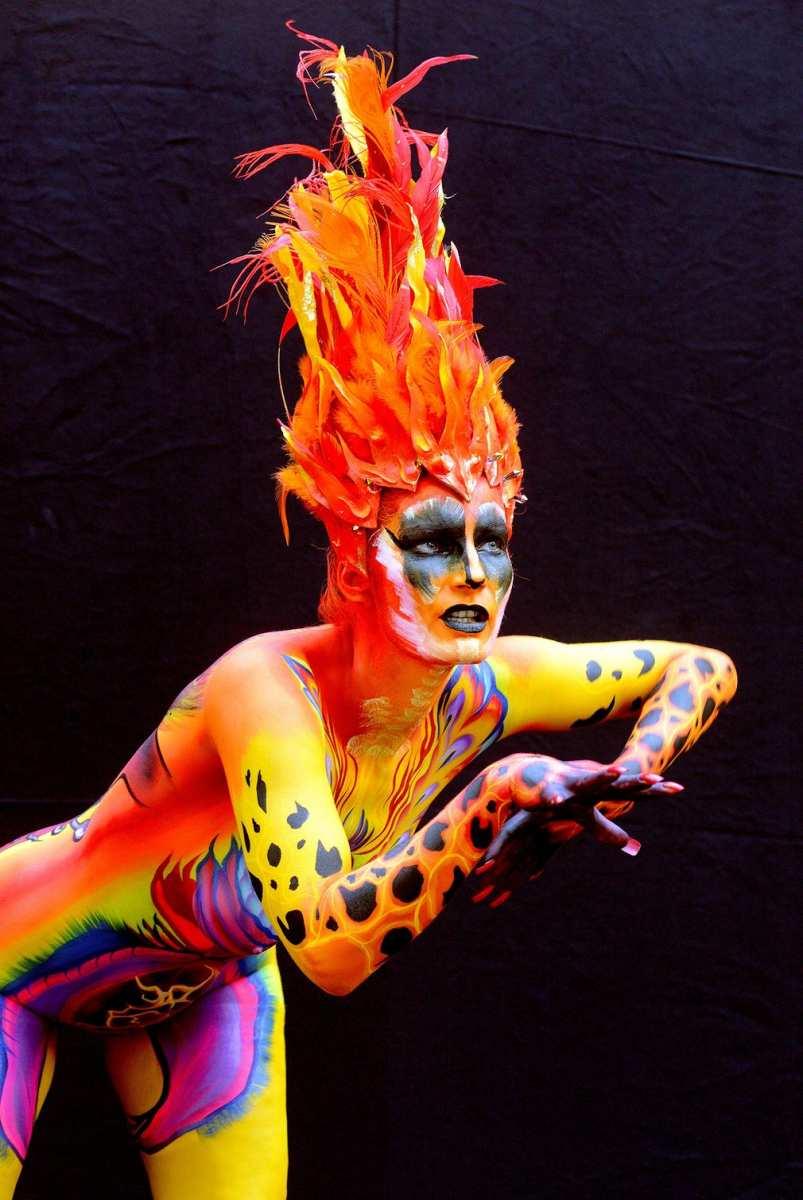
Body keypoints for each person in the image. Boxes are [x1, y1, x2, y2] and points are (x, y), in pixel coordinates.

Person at [0, 27, 736, 1200]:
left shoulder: (488, 686)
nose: (473, 573)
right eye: (431, 542)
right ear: (353, 559)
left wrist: (624, 772)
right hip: (17, 963)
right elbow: (334, 950)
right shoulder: (265, 689)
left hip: (205, 986)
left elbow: (700, 666)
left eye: (491, 540)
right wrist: (490, 802)